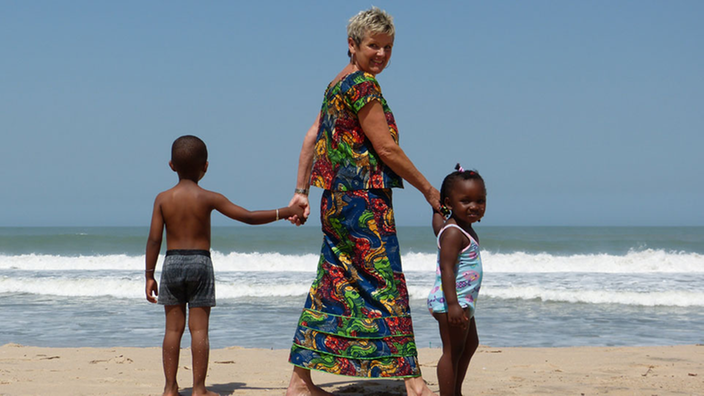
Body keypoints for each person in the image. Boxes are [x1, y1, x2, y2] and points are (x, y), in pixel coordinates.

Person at [285, 7, 441, 396]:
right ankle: (414, 381)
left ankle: (299, 383)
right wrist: (429, 190)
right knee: (386, 285)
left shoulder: (335, 84)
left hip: (334, 201)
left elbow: (311, 136)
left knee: (333, 284)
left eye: (388, 47)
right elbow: (386, 148)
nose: (382, 54)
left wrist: (301, 192)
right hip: (363, 202)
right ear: (352, 45)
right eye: (374, 46)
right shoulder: (362, 86)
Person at [145, 135, 304, 396]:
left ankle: (170, 388)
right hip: (200, 263)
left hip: (171, 262)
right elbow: (249, 217)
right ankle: (198, 389)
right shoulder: (209, 197)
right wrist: (285, 212)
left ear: (171, 165)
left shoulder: (162, 199)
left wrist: (149, 275)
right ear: (206, 167)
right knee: (199, 330)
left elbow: (154, 239)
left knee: (173, 329)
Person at [427, 164, 486, 396]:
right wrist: (452, 305)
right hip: (451, 302)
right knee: (452, 351)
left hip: (462, 302)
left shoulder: (457, 227)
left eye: (480, 201)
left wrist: (436, 209)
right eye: (466, 201)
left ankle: (455, 391)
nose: (474, 206)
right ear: (450, 203)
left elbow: (436, 226)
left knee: (470, 344)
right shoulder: (454, 233)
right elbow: (447, 268)